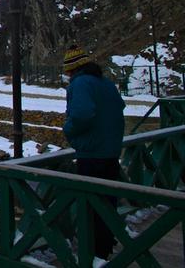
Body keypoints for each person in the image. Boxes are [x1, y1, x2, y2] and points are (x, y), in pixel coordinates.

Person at [62, 45, 126, 261]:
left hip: (91, 154)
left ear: (72, 70)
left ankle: (91, 254)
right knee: (107, 205)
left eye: (67, 72)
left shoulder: (80, 84)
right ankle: (105, 249)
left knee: (89, 206)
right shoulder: (106, 83)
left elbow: (81, 114)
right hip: (111, 153)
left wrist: (68, 130)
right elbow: (120, 106)